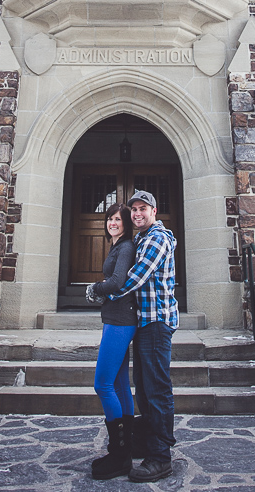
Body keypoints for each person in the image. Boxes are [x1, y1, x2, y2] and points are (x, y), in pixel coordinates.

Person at [107, 189, 179, 484]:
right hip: (143, 322)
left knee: (157, 389)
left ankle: (160, 457)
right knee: (144, 387)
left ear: (154, 211)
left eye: (142, 209)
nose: (137, 214)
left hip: (157, 322)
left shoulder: (157, 238)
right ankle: (148, 442)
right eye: (134, 210)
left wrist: (106, 293)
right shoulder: (140, 238)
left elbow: (137, 276)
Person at [86, 202, 138, 481]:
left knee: (103, 384)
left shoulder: (126, 247)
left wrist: (94, 289)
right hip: (116, 317)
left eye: (118, 219)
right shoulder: (118, 246)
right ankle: (124, 451)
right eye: (110, 218)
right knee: (119, 384)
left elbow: (117, 281)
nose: (113, 223)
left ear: (126, 223)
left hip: (120, 321)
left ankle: (118, 454)